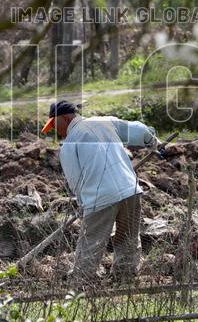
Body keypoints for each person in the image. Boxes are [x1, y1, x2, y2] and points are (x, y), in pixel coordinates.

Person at [41, 100, 159, 285]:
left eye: (55, 125)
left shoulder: (69, 145)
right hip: (130, 190)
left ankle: (79, 286)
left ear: (65, 118)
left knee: (91, 244)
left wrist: (83, 204)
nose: (55, 130)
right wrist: (152, 141)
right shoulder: (104, 122)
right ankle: (125, 281)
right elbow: (138, 130)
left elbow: (76, 182)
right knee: (127, 239)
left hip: (100, 198)